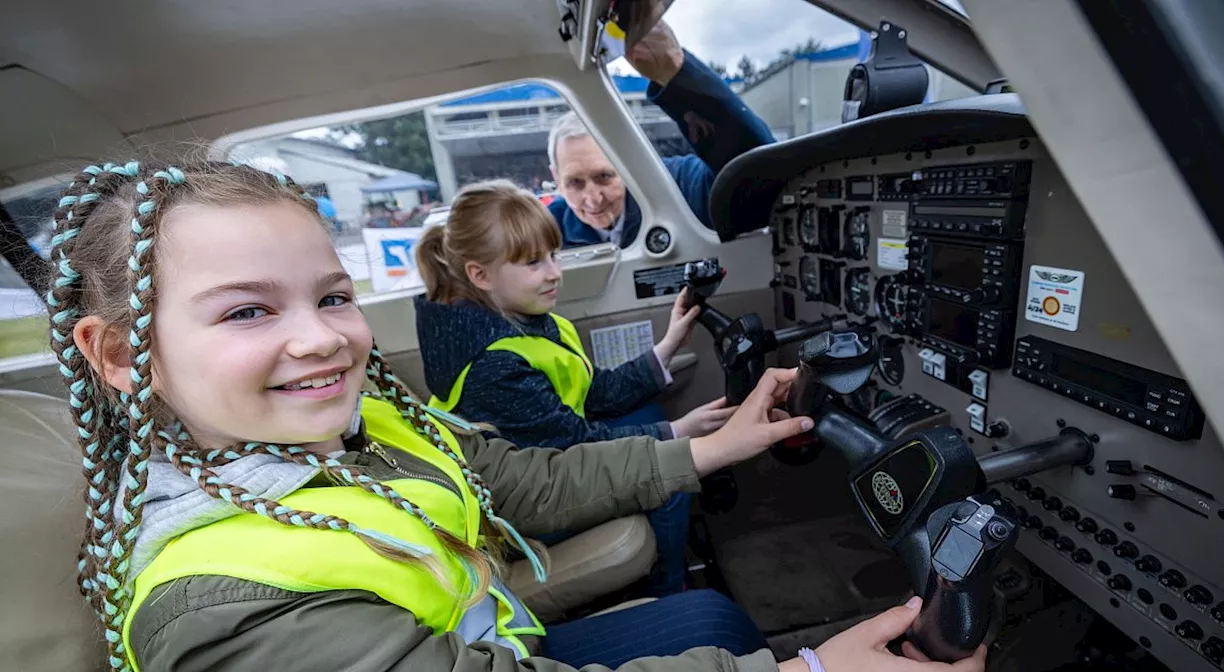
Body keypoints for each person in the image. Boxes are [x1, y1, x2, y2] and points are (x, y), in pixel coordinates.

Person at [47, 158, 985, 672]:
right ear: (127, 356)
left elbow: (520, 478)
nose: (323, 340)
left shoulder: (354, 427)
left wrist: (709, 448)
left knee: (709, 618)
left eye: (333, 298)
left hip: (494, 642)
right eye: (249, 310)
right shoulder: (228, 613)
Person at [414, 179, 733, 595]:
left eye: (553, 255)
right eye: (533, 263)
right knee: (668, 478)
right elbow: (571, 446)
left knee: (652, 419)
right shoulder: (491, 366)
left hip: (549, 464)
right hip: (519, 513)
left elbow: (591, 391)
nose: (554, 273)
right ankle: (670, 588)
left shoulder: (523, 319)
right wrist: (681, 432)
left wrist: (666, 348)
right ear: (480, 275)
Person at [548, 20, 775, 248]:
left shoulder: (678, 186)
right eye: (574, 183)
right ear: (556, 178)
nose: (593, 199)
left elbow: (755, 175)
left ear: (629, 163)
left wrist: (676, 73)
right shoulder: (546, 230)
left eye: (604, 177)